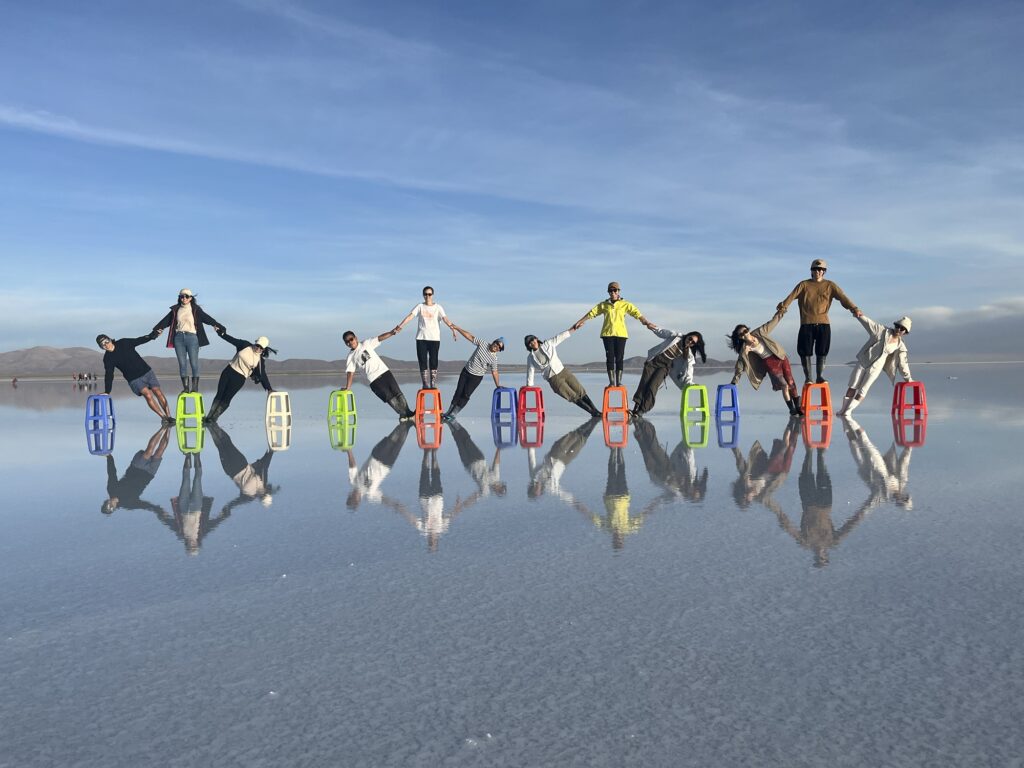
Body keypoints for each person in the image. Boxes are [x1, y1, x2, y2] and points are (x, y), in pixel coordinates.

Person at [776, 258, 861, 384]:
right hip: (806, 324)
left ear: (824, 271)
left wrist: (854, 309)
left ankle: (819, 376)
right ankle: (808, 378)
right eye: (815, 269)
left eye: (820, 269)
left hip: (823, 324)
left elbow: (843, 297)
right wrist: (782, 308)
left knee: (822, 352)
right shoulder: (803, 285)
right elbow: (791, 296)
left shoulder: (830, 285)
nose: (818, 271)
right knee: (805, 352)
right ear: (811, 271)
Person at [572, 281, 655, 387]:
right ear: (608, 292)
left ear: (618, 291)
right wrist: (580, 321)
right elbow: (592, 313)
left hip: (621, 334)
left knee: (619, 357)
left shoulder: (625, 304)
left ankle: (619, 382)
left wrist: (647, 323)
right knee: (610, 357)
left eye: (615, 290)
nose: (613, 292)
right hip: (607, 334)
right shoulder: (604, 305)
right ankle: (611, 382)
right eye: (610, 291)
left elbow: (637, 313)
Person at [728, 310, 803, 417]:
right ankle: (792, 409)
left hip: (780, 357)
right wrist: (735, 381)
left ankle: (798, 408)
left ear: (748, 330)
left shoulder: (759, 332)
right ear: (740, 337)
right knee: (784, 385)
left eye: (745, 331)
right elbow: (740, 365)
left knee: (791, 382)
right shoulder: (745, 348)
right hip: (770, 363)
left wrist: (781, 312)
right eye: (741, 334)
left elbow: (772, 323)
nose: (744, 334)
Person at [151, 288, 225, 392]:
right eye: (182, 296)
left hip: (192, 338)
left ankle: (194, 388)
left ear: (190, 298)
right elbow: (164, 322)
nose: (184, 298)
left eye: (186, 296)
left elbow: (208, 319)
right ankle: (185, 388)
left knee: (194, 363)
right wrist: (154, 332)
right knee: (182, 364)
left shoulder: (195, 309)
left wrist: (219, 326)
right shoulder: (175, 310)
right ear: (179, 298)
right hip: (178, 338)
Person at [838, 315, 913, 415]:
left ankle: (848, 411)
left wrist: (908, 378)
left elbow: (903, 363)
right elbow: (869, 323)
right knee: (853, 386)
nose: (899, 329)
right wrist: (858, 314)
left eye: (902, 329)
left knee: (863, 390)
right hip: (863, 362)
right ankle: (843, 410)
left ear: (905, 332)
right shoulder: (882, 330)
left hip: (875, 368)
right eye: (898, 326)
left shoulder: (900, 345)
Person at [97, 331, 174, 423]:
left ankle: (169, 416)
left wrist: (152, 336)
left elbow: (139, 340)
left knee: (157, 392)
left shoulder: (123, 343)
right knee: (148, 395)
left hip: (146, 371)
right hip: (134, 379)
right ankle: (164, 417)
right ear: (101, 347)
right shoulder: (108, 358)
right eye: (102, 345)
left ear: (109, 339)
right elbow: (109, 374)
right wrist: (107, 391)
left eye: (106, 341)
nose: (106, 345)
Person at [630, 329, 706, 418]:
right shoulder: (676, 337)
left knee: (653, 387)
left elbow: (689, 368)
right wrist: (651, 326)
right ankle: (635, 407)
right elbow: (663, 332)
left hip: (664, 367)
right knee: (644, 383)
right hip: (653, 362)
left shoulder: (688, 353)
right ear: (687, 336)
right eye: (690, 339)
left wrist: (689, 382)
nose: (690, 342)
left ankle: (642, 410)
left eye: (693, 342)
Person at [524, 328, 601, 417]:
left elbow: (560, 337)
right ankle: (592, 412)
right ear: (528, 346)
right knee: (572, 396)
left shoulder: (548, 344)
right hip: (553, 379)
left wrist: (573, 328)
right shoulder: (530, 357)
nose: (532, 343)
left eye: (532, 340)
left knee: (580, 391)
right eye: (529, 343)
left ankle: (595, 410)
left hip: (563, 371)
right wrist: (529, 385)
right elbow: (530, 371)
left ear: (536, 338)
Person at [343, 327, 415, 420]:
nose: (350, 342)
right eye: (347, 341)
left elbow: (379, 338)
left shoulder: (366, 343)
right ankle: (402, 414)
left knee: (397, 392)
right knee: (389, 398)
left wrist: (392, 332)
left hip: (384, 372)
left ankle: (408, 412)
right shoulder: (350, 357)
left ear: (355, 338)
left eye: (351, 339)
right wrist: (348, 387)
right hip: (373, 379)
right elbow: (350, 372)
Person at [396, 286, 459, 389]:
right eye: (425, 294)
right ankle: (425, 383)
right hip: (421, 338)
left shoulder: (438, 307)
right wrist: (400, 326)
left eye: (429, 294)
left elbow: (445, 319)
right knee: (422, 361)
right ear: (423, 295)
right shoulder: (420, 306)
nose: (427, 296)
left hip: (434, 339)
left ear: (432, 295)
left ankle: (433, 382)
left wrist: (453, 329)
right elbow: (410, 316)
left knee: (434, 361)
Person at [205, 332, 276, 422]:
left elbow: (263, 375)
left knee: (227, 398)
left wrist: (269, 389)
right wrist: (221, 334)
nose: (258, 348)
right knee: (219, 394)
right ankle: (209, 416)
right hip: (228, 371)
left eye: (261, 348)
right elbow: (232, 340)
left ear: (264, 349)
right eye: (257, 345)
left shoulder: (260, 361)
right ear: (255, 343)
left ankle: (214, 418)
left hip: (239, 378)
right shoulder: (245, 345)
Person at [101, 425, 171, 515]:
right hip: (149, 474)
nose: (110, 504)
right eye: (111, 507)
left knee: (149, 451)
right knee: (159, 452)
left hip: (136, 467)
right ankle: (169, 427)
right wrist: (157, 510)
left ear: (106, 502)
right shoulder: (128, 504)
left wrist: (109, 457)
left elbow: (112, 473)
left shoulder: (111, 489)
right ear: (114, 508)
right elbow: (145, 505)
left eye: (107, 504)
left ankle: (163, 427)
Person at [442, 329, 504, 421]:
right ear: (494, 342)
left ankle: (453, 414)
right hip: (466, 371)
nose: (497, 347)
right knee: (458, 392)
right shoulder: (483, 344)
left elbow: (494, 372)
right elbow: (470, 337)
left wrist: (498, 385)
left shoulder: (494, 358)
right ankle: (448, 412)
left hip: (476, 377)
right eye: (497, 344)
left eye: (500, 347)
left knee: (466, 395)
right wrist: (457, 328)